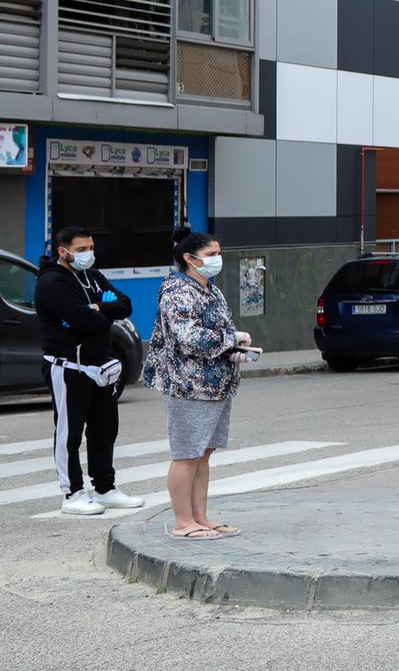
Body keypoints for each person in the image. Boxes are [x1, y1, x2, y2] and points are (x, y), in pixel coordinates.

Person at [146, 229, 255, 539]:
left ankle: (200, 517)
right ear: (189, 258)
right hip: (187, 385)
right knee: (186, 454)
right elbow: (188, 338)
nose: (216, 260)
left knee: (203, 454)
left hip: (216, 385)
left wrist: (236, 350)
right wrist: (231, 339)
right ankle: (183, 523)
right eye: (210, 255)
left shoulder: (211, 290)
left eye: (218, 253)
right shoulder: (178, 291)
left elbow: (218, 334)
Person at [35, 226, 140, 516]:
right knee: (69, 433)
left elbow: (125, 304)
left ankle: (105, 489)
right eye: (81, 250)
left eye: (90, 247)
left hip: (100, 367)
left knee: (105, 430)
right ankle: (72, 493)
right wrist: (98, 311)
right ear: (63, 251)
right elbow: (84, 320)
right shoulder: (51, 282)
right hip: (68, 367)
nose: (88, 254)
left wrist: (97, 308)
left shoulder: (92, 276)